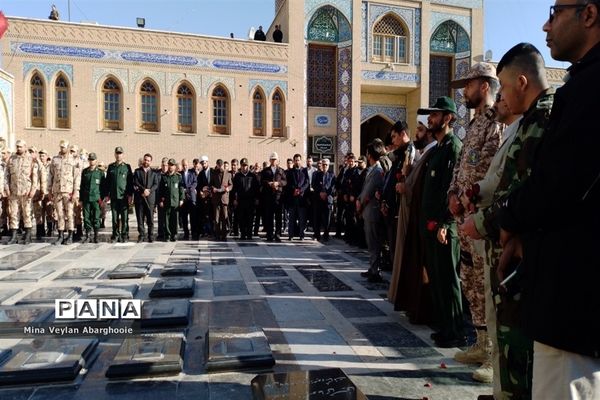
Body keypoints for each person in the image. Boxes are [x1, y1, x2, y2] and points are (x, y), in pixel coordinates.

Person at [498, 24, 600, 397]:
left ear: (588, 15)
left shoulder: (587, 89)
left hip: (572, 290)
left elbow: (558, 182)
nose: (547, 24)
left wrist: (510, 219)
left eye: (556, 12)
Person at [459, 91, 523, 398]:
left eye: (502, 97)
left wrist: (477, 202)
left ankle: (497, 371)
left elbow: (503, 182)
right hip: (481, 220)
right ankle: (490, 360)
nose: (498, 103)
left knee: (498, 303)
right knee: (480, 291)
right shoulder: (505, 130)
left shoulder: (518, 131)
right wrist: (464, 193)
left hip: (497, 228)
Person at [447, 62, 503, 381]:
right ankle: (480, 343)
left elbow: (487, 167)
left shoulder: (495, 121)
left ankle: (493, 353)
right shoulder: (472, 125)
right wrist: (453, 194)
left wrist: (467, 198)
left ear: (484, 86)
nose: (464, 92)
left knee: (485, 281)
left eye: (467, 86)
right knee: (469, 279)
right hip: (463, 215)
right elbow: (460, 167)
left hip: (480, 216)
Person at [417, 96, 465, 348]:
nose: (430, 119)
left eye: (435, 115)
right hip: (431, 226)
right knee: (437, 279)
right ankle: (445, 327)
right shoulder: (438, 148)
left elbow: (453, 190)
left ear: (447, 118)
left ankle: (455, 330)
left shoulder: (454, 147)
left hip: (444, 228)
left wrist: (446, 224)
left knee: (448, 280)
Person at [390, 116, 436, 325]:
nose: (417, 133)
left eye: (420, 129)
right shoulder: (423, 153)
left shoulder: (432, 152)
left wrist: (405, 186)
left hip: (425, 219)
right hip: (415, 215)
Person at [357, 141, 385, 282]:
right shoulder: (372, 169)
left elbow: (369, 191)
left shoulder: (378, 171)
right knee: (371, 242)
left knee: (374, 243)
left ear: (370, 155)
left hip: (373, 212)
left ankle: (376, 272)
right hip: (368, 212)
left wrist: (360, 203)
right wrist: (359, 199)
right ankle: (372, 268)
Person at [5, 139, 38, 245]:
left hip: (26, 192)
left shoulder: (31, 159)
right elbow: (6, 175)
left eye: (20, 146)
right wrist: (6, 188)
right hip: (14, 191)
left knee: (27, 213)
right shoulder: (12, 159)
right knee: (13, 214)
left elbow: (35, 176)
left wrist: (33, 189)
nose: (18, 148)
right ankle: (14, 236)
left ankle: (28, 236)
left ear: (25, 147)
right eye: (17, 146)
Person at [49, 140, 80, 245]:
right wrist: (49, 190)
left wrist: (76, 191)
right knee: (59, 214)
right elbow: (51, 176)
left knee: (70, 214)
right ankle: (60, 235)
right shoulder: (55, 160)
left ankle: (70, 235)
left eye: (64, 147)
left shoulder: (74, 161)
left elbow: (76, 178)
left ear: (68, 147)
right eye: (61, 147)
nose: (62, 149)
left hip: (68, 191)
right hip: (57, 191)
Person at [104, 146, 133, 243]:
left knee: (124, 217)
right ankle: (115, 234)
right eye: (117, 153)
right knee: (114, 217)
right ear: (114, 154)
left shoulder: (127, 167)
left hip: (123, 196)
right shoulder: (111, 167)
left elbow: (130, 182)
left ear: (123, 155)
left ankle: (124, 234)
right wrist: (106, 194)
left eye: (120, 153)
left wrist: (130, 195)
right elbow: (107, 182)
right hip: (114, 196)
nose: (118, 155)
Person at [133, 153, 160, 242]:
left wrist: (149, 191)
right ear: (143, 160)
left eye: (148, 160)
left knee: (150, 218)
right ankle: (141, 235)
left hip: (150, 199)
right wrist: (143, 190)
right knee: (140, 218)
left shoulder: (154, 173)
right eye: (145, 160)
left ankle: (150, 235)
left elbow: (156, 184)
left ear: (150, 162)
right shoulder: (137, 171)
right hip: (140, 198)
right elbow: (136, 182)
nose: (146, 162)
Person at [260, 152, 287, 242]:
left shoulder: (281, 170)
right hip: (268, 197)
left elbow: (285, 182)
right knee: (269, 217)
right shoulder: (265, 171)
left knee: (278, 217)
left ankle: (278, 234)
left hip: (278, 197)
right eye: (272, 159)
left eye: (275, 159)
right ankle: (269, 234)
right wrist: (269, 183)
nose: (273, 161)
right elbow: (262, 181)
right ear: (269, 160)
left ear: (277, 160)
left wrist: (278, 183)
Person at [79, 153, 104, 243]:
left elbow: (103, 187)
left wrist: (102, 198)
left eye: (93, 159)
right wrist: (81, 199)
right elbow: (81, 186)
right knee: (86, 217)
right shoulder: (85, 172)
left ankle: (96, 236)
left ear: (96, 160)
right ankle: (88, 235)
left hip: (96, 198)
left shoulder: (100, 173)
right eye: (90, 159)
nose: (91, 161)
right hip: (86, 198)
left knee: (96, 217)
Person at [233, 158, 259, 240]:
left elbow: (256, 188)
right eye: (243, 166)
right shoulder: (237, 176)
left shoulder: (252, 176)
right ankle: (243, 234)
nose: (244, 167)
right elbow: (234, 189)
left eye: (246, 166)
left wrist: (257, 198)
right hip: (241, 201)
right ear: (240, 166)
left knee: (250, 218)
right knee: (241, 218)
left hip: (250, 200)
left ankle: (249, 234)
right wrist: (234, 199)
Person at [285, 153, 309, 240]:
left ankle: (301, 235)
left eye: (298, 160)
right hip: (292, 198)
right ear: (294, 161)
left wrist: (300, 190)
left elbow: (307, 183)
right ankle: (290, 235)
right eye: (295, 160)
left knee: (302, 219)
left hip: (302, 199)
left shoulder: (304, 171)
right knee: (291, 219)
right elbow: (288, 183)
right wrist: (293, 190)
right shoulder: (290, 171)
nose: (297, 162)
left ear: (301, 160)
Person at [159, 159, 184, 242]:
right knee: (166, 219)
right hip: (166, 201)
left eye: (172, 165)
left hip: (175, 201)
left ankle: (174, 234)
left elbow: (181, 189)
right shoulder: (164, 177)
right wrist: (161, 200)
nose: (170, 166)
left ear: (174, 166)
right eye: (169, 165)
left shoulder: (178, 176)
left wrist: (181, 199)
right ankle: (168, 235)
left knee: (175, 219)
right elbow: (161, 190)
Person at [311, 158, 335, 242]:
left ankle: (326, 234)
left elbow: (333, 187)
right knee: (317, 218)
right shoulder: (317, 174)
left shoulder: (332, 175)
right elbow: (314, 185)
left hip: (327, 200)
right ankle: (317, 234)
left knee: (327, 219)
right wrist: (320, 193)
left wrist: (326, 193)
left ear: (328, 166)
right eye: (323, 164)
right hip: (318, 199)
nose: (324, 166)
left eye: (326, 165)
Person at [209, 159, 233, 241]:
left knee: (224, 217)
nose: (220, 167)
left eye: (221, 165)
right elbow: (210, 185)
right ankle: (217, 235)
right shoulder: (214, 174)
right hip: (216, 199)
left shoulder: (228, 174)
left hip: (224, 198)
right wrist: (213, 189)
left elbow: (231, 185)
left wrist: (228, 189)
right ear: (217, 165)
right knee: (216, 218)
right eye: (219, 165)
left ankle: (224, 235)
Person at [32, 148, 49, 240]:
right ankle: (40, 230)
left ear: (47, 156)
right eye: (40, 155)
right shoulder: (36, 165)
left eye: (43, 155)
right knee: (38, 212)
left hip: (47, 192)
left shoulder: (50, 166)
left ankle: (50, 229)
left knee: (49, 212)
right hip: (38, 191)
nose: (42, 157)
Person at [180, 158, 197, 240]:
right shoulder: (179, 174)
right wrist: (182, 189)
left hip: (191, 197)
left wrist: (190, 189)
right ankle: (186, 233)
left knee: (193, 217)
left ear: (188, 165)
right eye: (183, 165)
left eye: (186, 165)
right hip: (183, 199)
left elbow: (195, 182)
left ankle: (194, 233)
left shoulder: (192, 173)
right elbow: (179, 184)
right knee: (184, 218)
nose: (185, 166)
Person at [197, 155, 212, 237]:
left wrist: (210, 190)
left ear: (207, 162)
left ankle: (212, 231)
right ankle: (205, 231)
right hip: (204, 198)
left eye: (205, 163)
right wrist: (201, 191)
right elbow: (198, 185)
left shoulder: (212, 171)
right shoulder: (201, 174)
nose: (204, 165)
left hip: (212, 196)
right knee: (205, 215)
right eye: (202, 163)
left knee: (211, 215)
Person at [156, 157, 169, 241]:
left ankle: (167, 233)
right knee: (160, 217)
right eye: (163, 165)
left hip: (168, 199)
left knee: (167, 217)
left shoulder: (170, 174)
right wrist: (159, 200)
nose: (164, 167)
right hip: (159, 198)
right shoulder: (157, 174)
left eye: (166, 165)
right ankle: (160, 233)